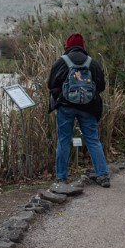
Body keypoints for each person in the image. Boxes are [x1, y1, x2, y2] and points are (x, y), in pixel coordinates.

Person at [47, 32, 110, 192]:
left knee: (63, 140)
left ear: (67, 46)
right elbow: (101, 86)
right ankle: (103, 175)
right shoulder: (92, 63)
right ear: (83, 46)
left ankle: (61, 177)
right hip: (89, 107)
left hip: (66, 107)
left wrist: (63, 96)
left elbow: (51, 84)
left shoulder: (62, 62)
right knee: (92, 140)